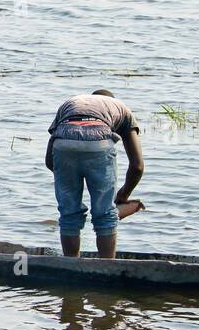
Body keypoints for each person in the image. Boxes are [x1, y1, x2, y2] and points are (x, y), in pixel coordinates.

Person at [45, 89, 145, 259]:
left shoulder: (71, 102)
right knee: (105, 214)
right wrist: (123, 195)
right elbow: (137, 166)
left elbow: (49, 161)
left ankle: (70, 265)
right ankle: (107, 266)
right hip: (99, 142)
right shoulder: (121, 108)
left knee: (69, 213)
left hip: (64, 143)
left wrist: (69, 178)